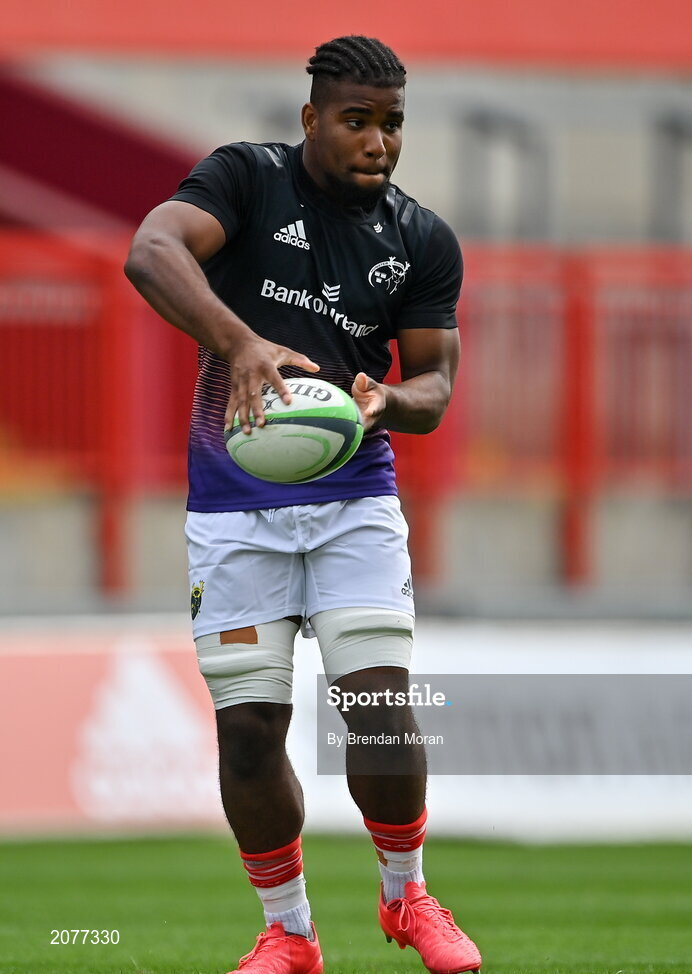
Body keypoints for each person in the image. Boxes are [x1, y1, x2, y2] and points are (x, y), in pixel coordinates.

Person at [125, 34, 481, 974]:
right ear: (311, 117)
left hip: (355, 497)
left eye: (393, 123)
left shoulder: (421, 239)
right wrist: (239, 342)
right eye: (357, 120)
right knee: (248, 732)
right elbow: (152, 250)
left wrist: (388, 399)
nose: (378, 141)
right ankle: (288, 931)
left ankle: (408, 896)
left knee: (380, 706)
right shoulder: (245, 180)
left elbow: (436, 387)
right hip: (232, 506)